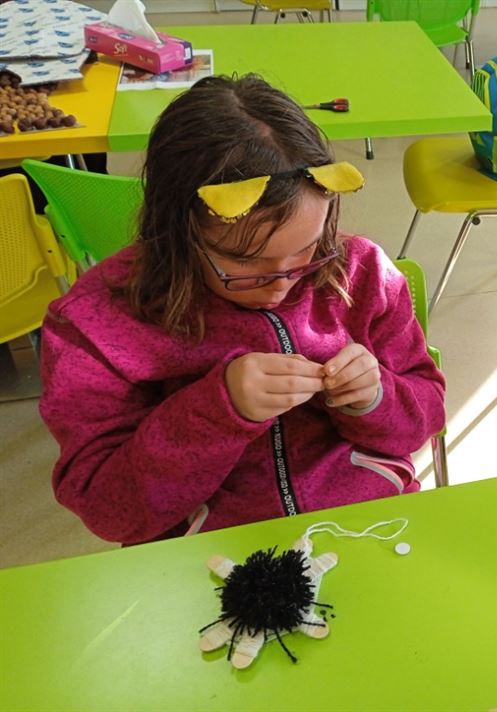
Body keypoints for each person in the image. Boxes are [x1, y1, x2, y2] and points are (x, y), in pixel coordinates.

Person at [39, 74, 445, 545]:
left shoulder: (362, 271)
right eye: (247, 262)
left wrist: (375, 398)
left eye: (308, 250)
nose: (282, 283)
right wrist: (216, 410)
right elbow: (109, 510)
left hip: (366, 530)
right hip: (205, 555)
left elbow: (425, 415)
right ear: (178, 231)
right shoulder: (97, 322)